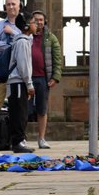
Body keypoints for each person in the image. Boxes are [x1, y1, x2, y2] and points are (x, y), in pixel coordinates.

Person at [29, 10, 63, 149]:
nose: (39, 22)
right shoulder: (26, 35)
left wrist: (55, 77)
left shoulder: (51, 37)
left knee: (42, 109)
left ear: (45, 21)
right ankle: (21, 139)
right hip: (27, 78)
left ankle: (41, 138)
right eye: (36, 19)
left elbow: (57, 58)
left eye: (41, 20)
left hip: (43, 78)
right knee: (24, 109)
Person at [5, 13, 35, 154]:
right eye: (34, 22)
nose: (37, 25)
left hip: (17, 82)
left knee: (21, 111)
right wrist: (29, 84)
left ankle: (20, 140)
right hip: (17, 82)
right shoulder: (22, 42)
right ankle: (17, 142)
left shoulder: (23, 40)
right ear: (27, 26)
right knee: (19, 113)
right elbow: (24, 66)